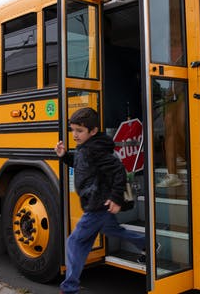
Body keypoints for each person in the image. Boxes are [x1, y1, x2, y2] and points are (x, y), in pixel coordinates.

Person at [56, 107, 147, 294]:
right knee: (113, 230)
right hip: (98, 203)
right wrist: (65, 156)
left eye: (79, 131)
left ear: (93, 130)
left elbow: (118, 171)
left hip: (98, 204)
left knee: (75, 242)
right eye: (73, 130)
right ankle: (147, 244)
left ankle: (70, 287)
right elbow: (82, 165)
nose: (75, 135)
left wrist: (115, 198)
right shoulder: (87, 147)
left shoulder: (95, 150)